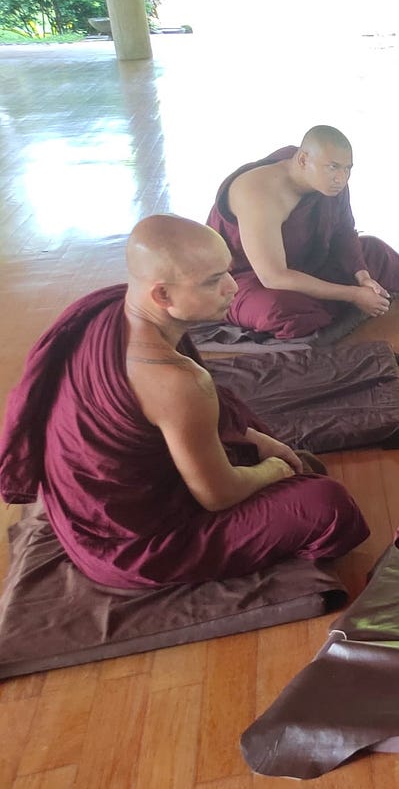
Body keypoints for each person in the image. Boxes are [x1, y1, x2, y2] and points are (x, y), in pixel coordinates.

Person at [0, 215, 370, 588]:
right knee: (326, 504)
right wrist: (276, 469)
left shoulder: (114, 306)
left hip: (89, 509)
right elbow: (217, 495)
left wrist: (264, 444)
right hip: (134, 547)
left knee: (272, 443)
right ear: (162, 295)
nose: (232, 287)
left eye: (227, 271)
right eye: (213, 281)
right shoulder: (173, 379)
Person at [206, 124, 399, 339]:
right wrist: (353, 295)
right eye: (333, 167)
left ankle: (327, 304)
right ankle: (334, 304)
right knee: (281, 310)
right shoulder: (257, 192)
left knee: (378, 254)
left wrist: (363, 278)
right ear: (303, 160)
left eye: (347, 169)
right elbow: (273, 277)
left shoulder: (331, 181)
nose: (341, 178)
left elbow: (344, 232)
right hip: (249, 278)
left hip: (308, 263)